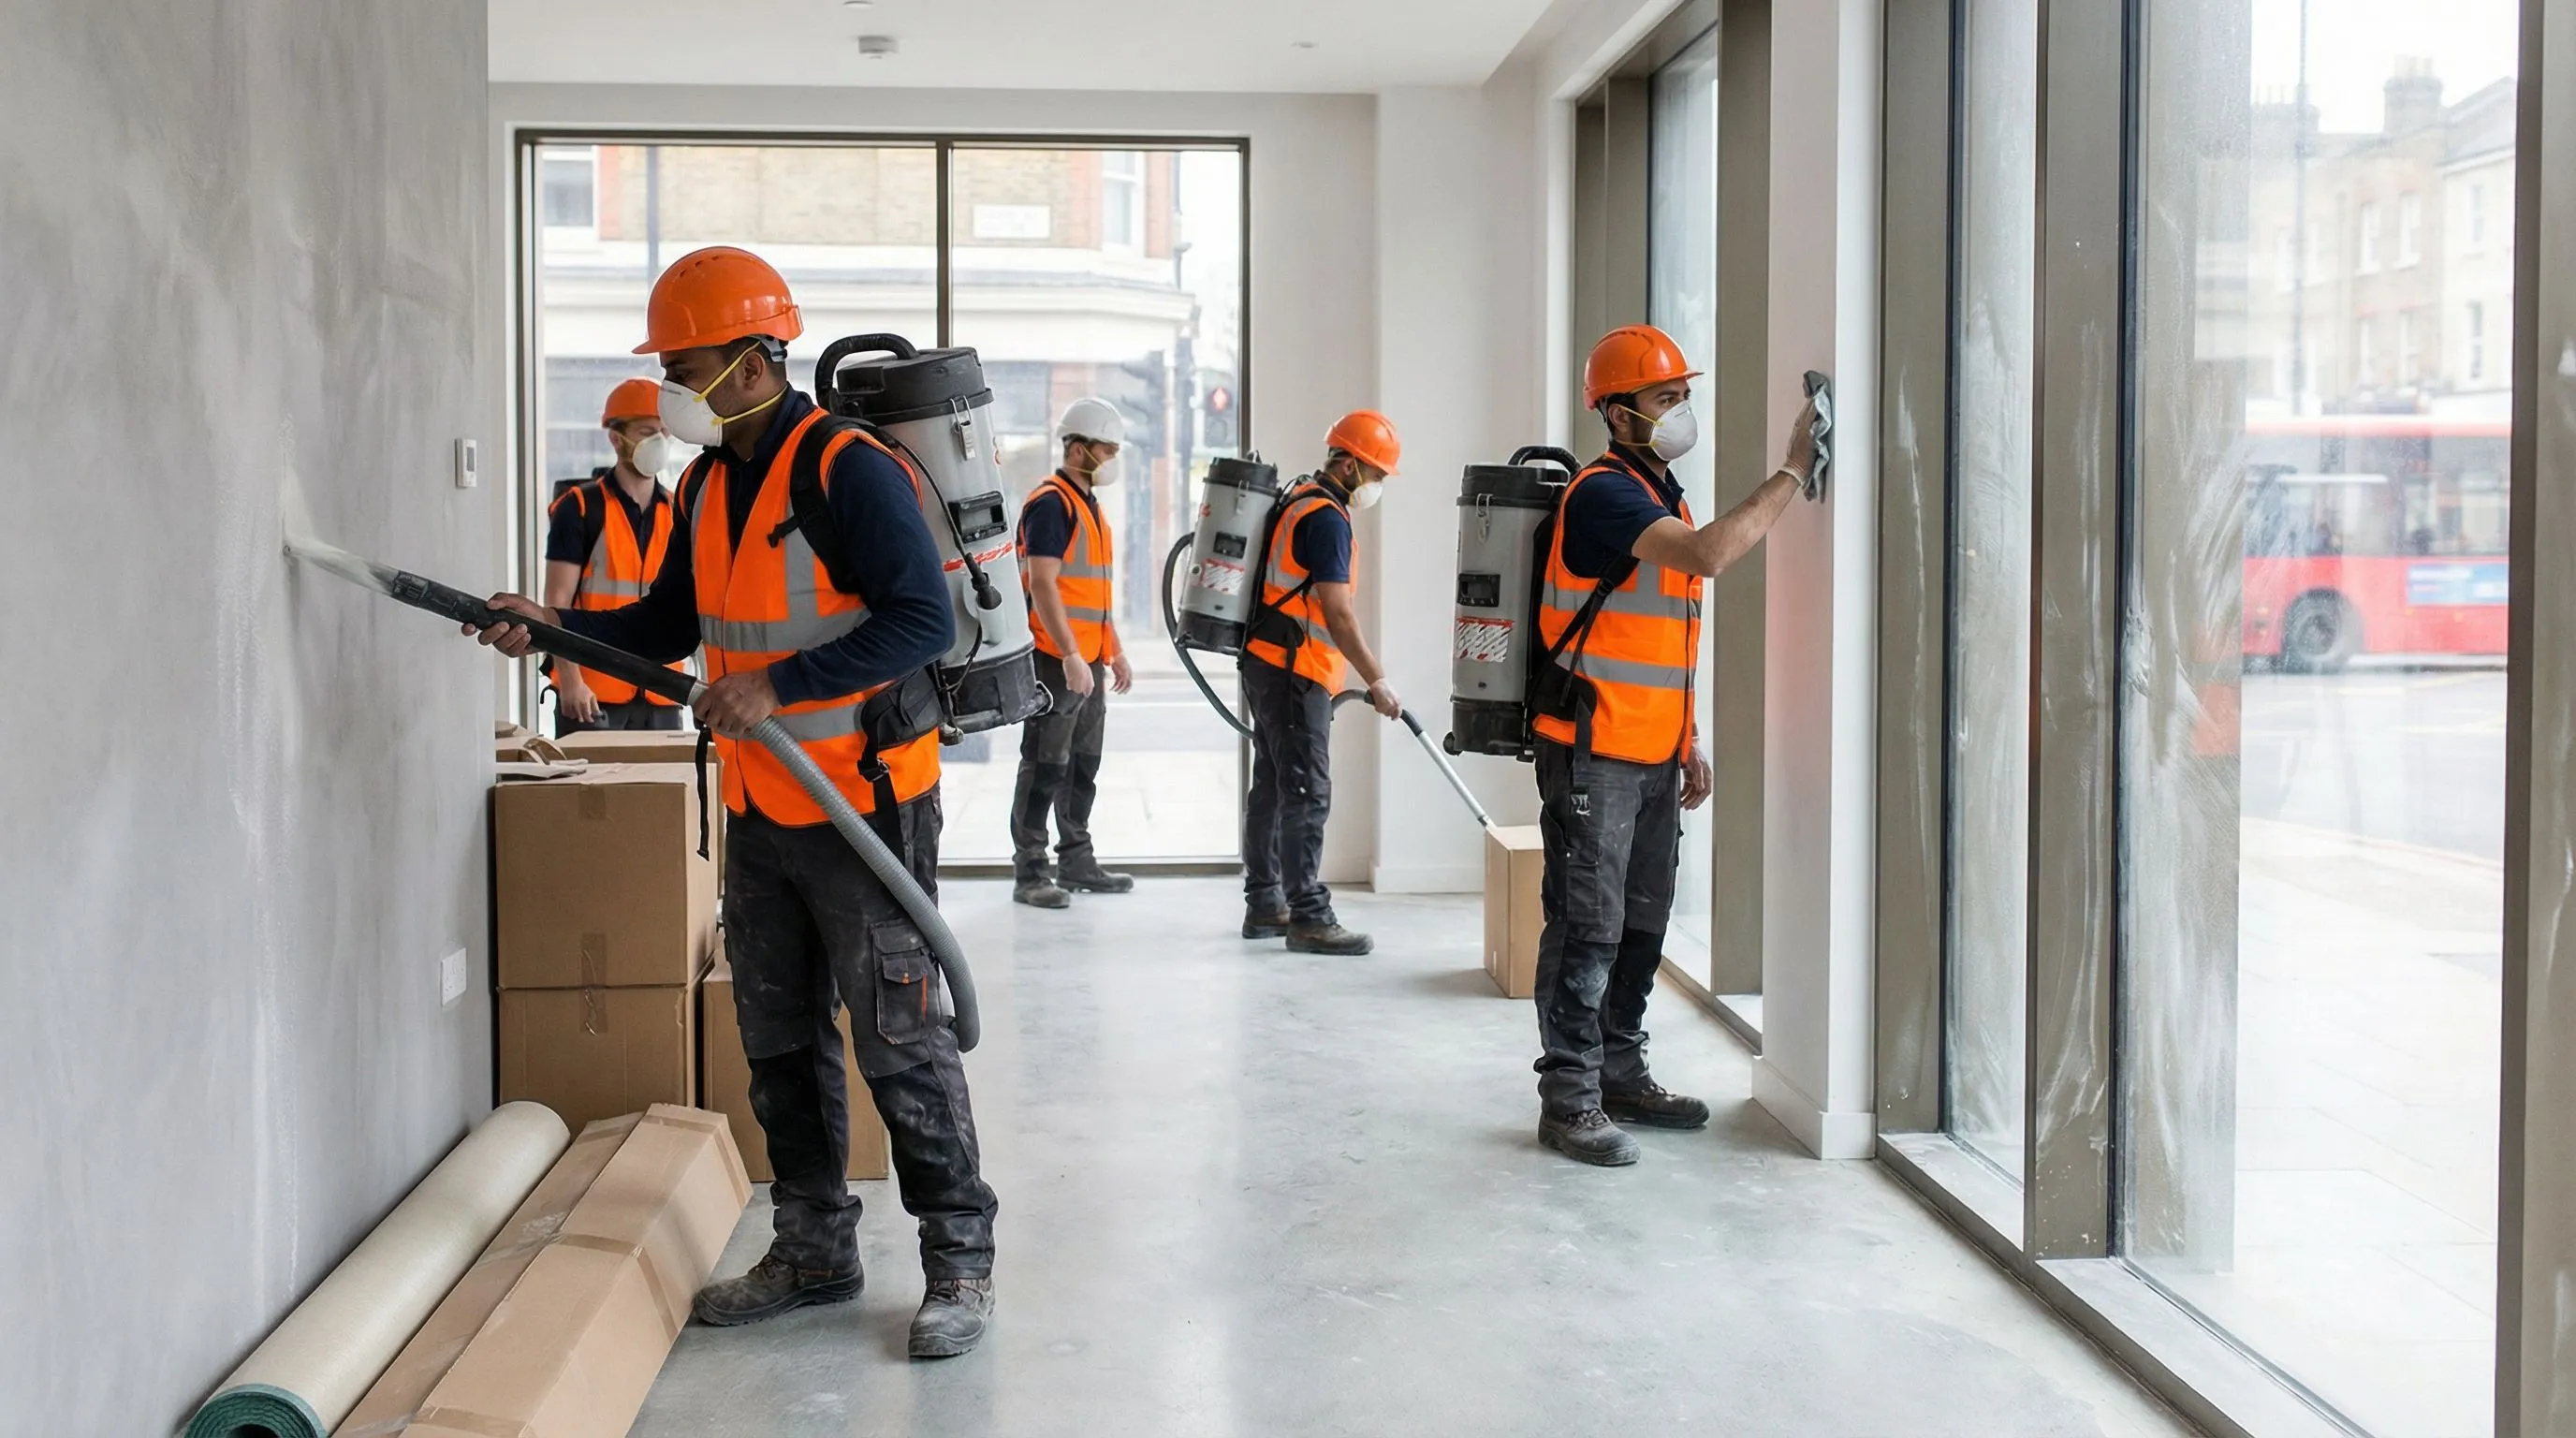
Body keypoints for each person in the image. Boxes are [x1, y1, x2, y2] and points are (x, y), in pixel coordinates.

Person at [467, 245, 1002, 1357]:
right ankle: (814, 1247)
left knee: (901, 1041)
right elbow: (665, 623)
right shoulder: (708, 482)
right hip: (761, 811)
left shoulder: (848, 470)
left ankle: (958, 1261)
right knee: (775, 1039)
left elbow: (922, 621)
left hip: (865, 806)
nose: (669, 385)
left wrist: (779, 686)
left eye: (685, 362)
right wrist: (551, 625)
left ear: (755, 364)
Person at [1530, 324, 1820, 1167]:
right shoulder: (1605, 495)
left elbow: (1665, 632)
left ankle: (1620, 1071)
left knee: (1644, 923)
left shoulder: (1663, 492)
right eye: (1665, 399)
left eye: (1683, 394)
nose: (1680, 410)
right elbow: (1709, 558)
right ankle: (1570, 1098)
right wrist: (1794, 470)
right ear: (1617, 415)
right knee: (1588, 926)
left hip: (1653, 752)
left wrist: (1687, 737)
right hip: (1592, 749)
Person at [1238, 411, 1406, 957]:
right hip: (1296, 669)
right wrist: (1376, 679)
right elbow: (1338, 612)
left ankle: (1265, 903)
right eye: (1377, 473)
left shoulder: (1297, 496)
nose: (1377, 485)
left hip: (1267, 661)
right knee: (1307, 790)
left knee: (1271, 784)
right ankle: (1307, 914)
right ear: (1351, 463)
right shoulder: (1328, 518)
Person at [1009, 397, 1137, 908]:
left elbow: (1094, 593)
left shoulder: (1088, 505)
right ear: (1080, 449)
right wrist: (1067, 654)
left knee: (1083, 763)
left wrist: (1115, 652)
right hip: (1055, 659)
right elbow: (1043, 584)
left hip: (1087, 662)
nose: (1113, 457)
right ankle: (1031, 872)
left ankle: (1076, 860)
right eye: (1108, 448)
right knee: (1045, 764)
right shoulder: (1051, 504)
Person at [541, 378, 691, 734]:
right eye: (645, 431)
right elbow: (556, 603)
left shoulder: (678, 510)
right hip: (594, 693)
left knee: (664, 791)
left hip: (662, 690)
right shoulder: (579, 508)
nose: (658, 441)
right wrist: (570, 680)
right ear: (616, 438)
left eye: (662, 432)